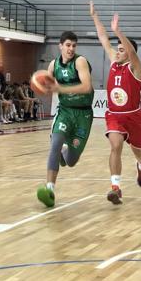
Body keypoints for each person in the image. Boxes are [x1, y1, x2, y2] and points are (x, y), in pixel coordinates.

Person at [91, 1, 141, 205]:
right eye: (118, 48)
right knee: (115, 146)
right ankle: (115, 187)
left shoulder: (136, 68)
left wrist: (119, 31)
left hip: (134, 116)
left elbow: (132, 53)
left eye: (122, 49)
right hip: (114, 115)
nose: (118, 51)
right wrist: (95, 16)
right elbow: (103, 38)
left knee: (139, 152)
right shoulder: (114, 62)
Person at [36, 31, 94, 207]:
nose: (71, 49)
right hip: (65, 111)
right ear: (60, 46)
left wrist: (59, 88)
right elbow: (48, 86)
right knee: (55, 143)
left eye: (74, 46)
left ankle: (65, 152)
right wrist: (42, 87)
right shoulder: (53, 65)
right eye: (68, 45)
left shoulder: (80, 61)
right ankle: (50, 190)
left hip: (83, 114)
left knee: (71, 161)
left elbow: (86, 87)